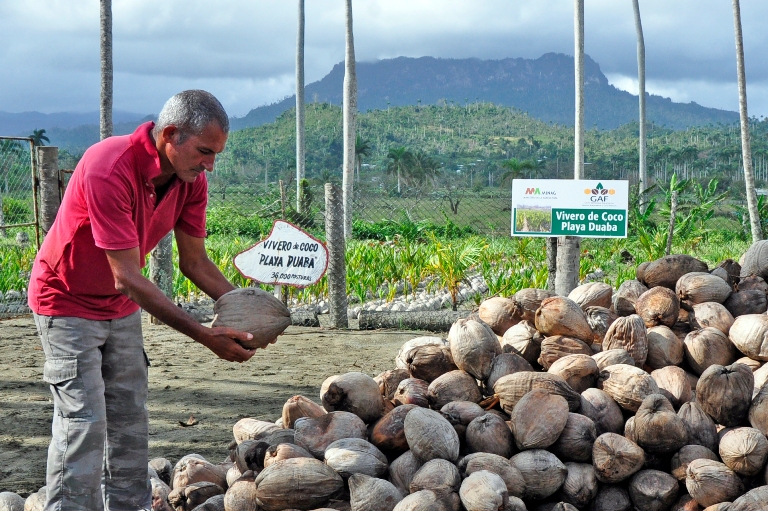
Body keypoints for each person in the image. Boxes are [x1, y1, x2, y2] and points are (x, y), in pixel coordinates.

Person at [28, 90, 257, 511]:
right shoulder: (109, 165)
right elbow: (128, 277)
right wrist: (205, 335)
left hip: (120, 307)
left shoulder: (191, 182)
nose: (210, 165)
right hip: (65, 301)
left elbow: (195, 262)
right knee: (84, 422)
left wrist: (249, 316)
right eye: (204, 151)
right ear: (170, 135)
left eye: (216, 154)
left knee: (130, 418)